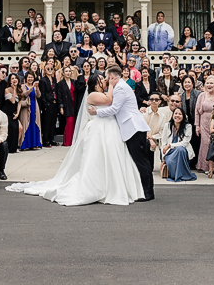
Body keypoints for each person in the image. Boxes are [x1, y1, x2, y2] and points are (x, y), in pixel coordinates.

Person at [8, 65, 149, 204]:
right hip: (99, 128)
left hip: (113, 128)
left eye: (105, 78)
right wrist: (111, 86)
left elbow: (112, 104)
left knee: (118, 158)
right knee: (98, 158)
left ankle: (124, 187)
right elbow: (109, 101)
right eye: (102, 79)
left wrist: (106, 94)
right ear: (95, 84)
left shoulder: (113, 90)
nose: (105, 80)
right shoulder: (94, 95)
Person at [159, 107, 197, 182]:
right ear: (173, 115)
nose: (177, 115)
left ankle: (179, 175)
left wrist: (170, 145)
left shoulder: (188, 126)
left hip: (183, 153)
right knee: (171, 160)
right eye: (176, 113)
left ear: (183, 116)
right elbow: (163, 142)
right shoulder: (167, 125)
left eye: (180, 114)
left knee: (180, 149)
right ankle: (176, 174)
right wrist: (163, 158)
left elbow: (185, 142)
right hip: (170, 152)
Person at [57, 67, 80, 147]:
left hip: (74, 104)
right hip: (66, 105)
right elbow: (59, 96)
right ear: (63, 73)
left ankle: (73, 141)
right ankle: (67, 141)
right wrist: (61, 107)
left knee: (74, 122)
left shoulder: (74, 82)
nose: (68, 73)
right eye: (66, 71)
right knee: (69, 122)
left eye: (69, 71)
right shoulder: (60, 84)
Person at [20, 72, 42, 150]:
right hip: (26, 107)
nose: (30, 79)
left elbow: (38, 95)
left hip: (34, 106)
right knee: (26, 124)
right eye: (29, 77)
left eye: (32, 77)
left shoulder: (35, 86)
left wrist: (37, 88)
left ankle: (34, 144)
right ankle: (24, 144)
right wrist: (32, 87)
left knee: (34, 124)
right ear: (26, 78)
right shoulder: (23, 86)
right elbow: (24, 94)